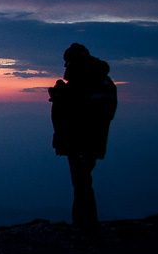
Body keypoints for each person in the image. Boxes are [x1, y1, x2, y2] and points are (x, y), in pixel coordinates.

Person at [49, 43, 118, 237]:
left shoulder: (81, 82)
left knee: (81, 183)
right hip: (93, 141)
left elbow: (72, 113)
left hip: (79, 141)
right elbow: (103, 113)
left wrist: (59, 96)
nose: (65, 66)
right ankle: (85, 223)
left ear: (72, 61)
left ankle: (85, 225)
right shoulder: (102, 81)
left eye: (67, 62)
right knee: (83, 181)